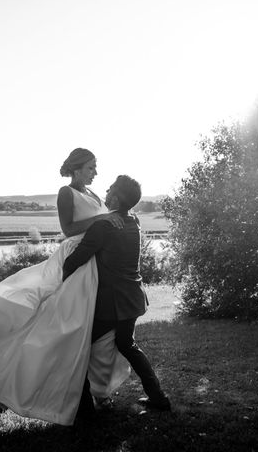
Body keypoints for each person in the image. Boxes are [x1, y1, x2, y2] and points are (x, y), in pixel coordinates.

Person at [0, 148, 130, 426]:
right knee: (66, 324)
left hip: (97, 261)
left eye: (95, 168)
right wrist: (102, 219)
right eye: (90, 167)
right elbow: (69, 229)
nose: (95, 172)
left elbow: (106, 224)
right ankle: (40, 383)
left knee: (95, 327)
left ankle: (95, 390)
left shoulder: (95, 195)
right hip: (77, 259)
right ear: (76, 168)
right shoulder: (66, 192)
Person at [63, 175, 171, 418]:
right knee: (128, 345)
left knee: (78, 348)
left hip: (111, 302)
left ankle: (85, 411)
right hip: (133, 297)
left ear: (115, 197)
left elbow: (75, 260)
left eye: (110, 187)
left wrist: (58, 277)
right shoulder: (134, 221)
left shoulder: (104, 226)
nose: (106, 189)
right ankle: (159, 398)